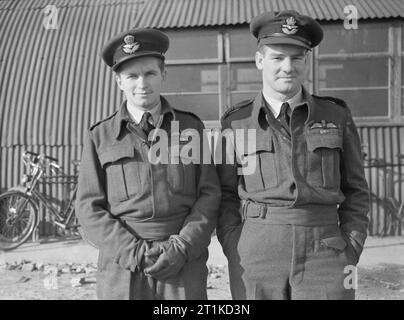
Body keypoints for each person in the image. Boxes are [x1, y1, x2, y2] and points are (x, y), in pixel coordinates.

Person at [217, 10, 369, 300]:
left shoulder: (336, 115)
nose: (287, 67)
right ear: (260, 60)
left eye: (296, 58)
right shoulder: (235, 123)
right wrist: (235, 243)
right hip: (257, 252)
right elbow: (225, 194)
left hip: (326, 251)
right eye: (277, 57)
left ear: (306, 62)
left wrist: (351, 247)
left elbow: (356, 191)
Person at [75, 28, 221, 300]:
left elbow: (209, 194)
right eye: (132, 76)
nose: (142, 83)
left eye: (150, 73)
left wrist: (183, 246)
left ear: (163, 74)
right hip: (122, 266)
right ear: (119, 81)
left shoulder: (190, 127)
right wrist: (133, 252)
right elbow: (88, 207)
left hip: (183, 263)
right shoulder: (100, 136)